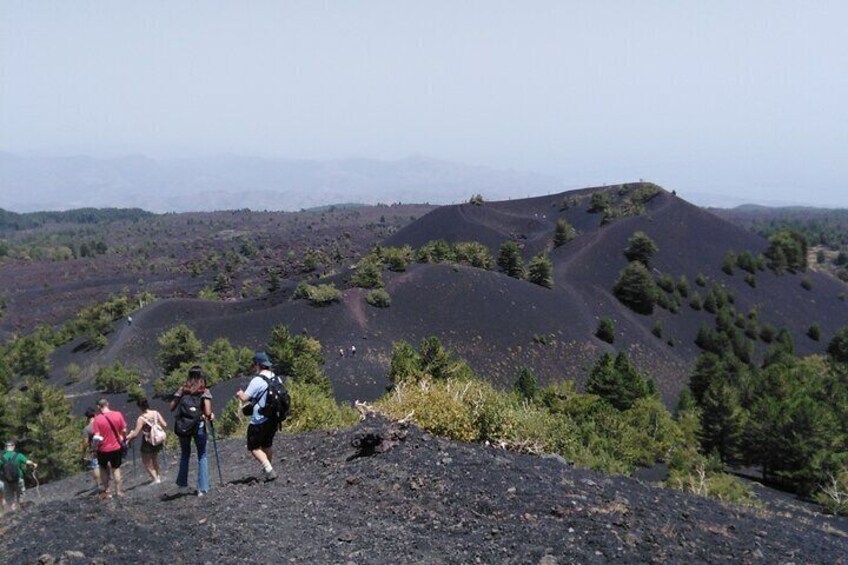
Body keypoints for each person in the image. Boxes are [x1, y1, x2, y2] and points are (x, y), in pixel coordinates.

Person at [235, 352, 282, 482]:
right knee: (267, 444)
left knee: (254, 447)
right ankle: (268, 469)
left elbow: (245, 398)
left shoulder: (257, 380)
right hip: (274, 418)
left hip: (259, 419)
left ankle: (269, 469)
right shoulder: (276, 378)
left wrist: (239, 394)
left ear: (258, 365)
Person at [169, 366, 213, 496]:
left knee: (185, 454)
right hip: (198, 425)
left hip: (183, 425)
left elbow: (171, 407)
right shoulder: (204, 391)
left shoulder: (183, 389)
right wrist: (210, 416)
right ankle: (202, 488)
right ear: (201, 377)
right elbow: (208, 412)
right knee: (202, 455)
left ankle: (182, 485)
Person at [91, 398, 128, 499]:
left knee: (103, 468)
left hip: (103, 449)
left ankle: (108, 491)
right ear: (108, 404)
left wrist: (94, 449)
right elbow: (124, 429)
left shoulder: (97, 419)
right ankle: (119, 491)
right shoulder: (118, 414)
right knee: (116, 468)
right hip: (116, 447)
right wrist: (122, 437)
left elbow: (97, 436)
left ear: (99, 407)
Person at [126, 397, 167, 484]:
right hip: (157, 439)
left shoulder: (141, 418)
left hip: (148, 440)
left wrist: (129, 436)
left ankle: (155, 478)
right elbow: (164, 424)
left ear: (140, 407)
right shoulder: (155, 413)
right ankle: (158, 476)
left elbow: (136, 433)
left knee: (146, 461)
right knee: (154, 458)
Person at [1, 440, 37, 512]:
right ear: (13, 447)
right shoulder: (18, 455)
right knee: (20, 492)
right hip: (18, 478)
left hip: (7, 480)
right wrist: (34, 464)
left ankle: (13, 509)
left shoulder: (1, 457)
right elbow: (28, 462)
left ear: (6, 448)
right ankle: (21, 506)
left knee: (9, 495)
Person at [81, 407, 101, 492]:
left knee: (95, 466)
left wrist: (84, 451)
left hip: (94, 450)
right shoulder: (100, 424)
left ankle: (98, 484)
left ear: (86, 418)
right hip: (104, 446)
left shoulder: (87, 429)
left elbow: (85, 442)